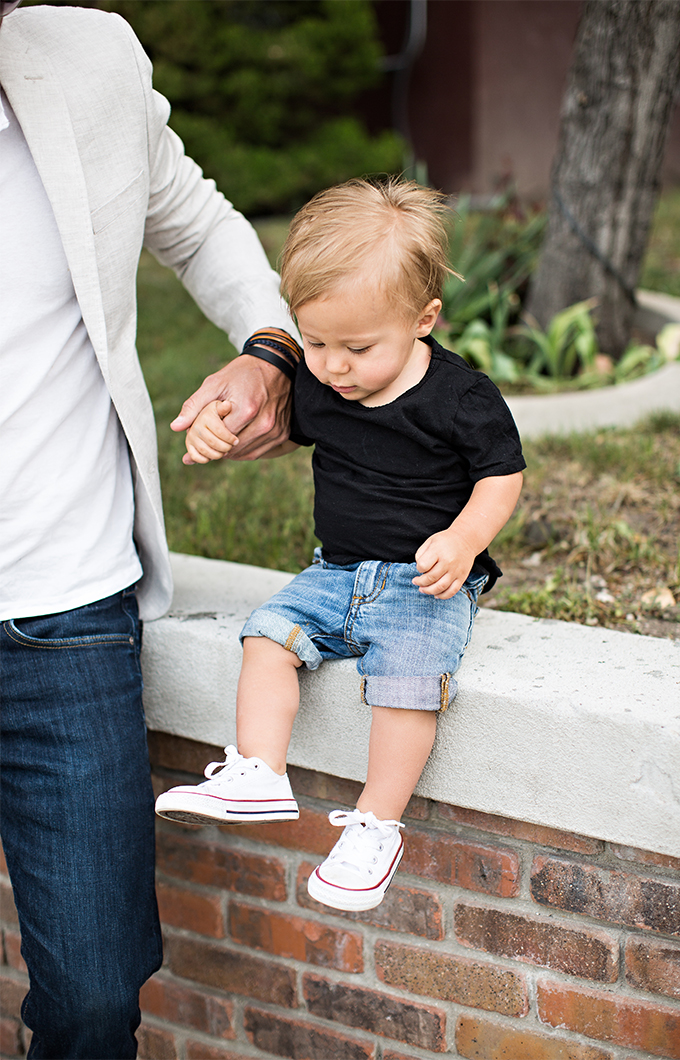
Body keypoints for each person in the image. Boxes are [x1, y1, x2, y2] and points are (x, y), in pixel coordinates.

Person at [0, 3, 299, 1056]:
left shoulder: (86, 57)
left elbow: (195, 217)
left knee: (92, 993)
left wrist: (271, 349)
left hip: (64, 616)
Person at [155, 178, 526, 912]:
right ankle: (259, 770)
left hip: (426, 579)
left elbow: (502, 478)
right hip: (337, 571)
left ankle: (376, 827)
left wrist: (464, 539)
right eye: (315, 341)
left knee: (408, 686)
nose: (332, 366)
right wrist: (220, 432)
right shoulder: (322, 381)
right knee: (265, 637)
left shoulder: (461, 398)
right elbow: (280, 432)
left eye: (356, 347)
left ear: (424, 319)